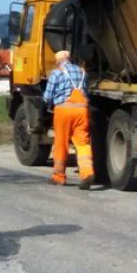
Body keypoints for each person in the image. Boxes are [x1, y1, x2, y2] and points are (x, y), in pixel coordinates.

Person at [43, 50, 94, 189]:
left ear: (58, 61)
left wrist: (48, 103)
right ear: (70, 59)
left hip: (63, 111)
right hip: (82, 111)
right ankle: (87, 173)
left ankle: (59, 177)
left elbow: (47, 96)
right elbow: (87, 92)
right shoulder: (83, 72)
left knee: (61, 143)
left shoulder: (57, 73)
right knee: (83, 143)